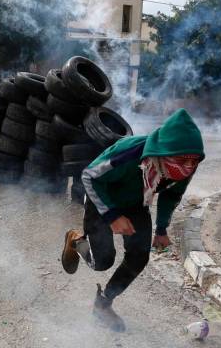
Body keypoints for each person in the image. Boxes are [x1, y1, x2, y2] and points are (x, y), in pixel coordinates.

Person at [61, 108, 204, 332]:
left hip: (137, 203)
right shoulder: (129, 152)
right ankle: (75, 240)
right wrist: (112, 216)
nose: (188, 167)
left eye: (194, 161)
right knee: (102, 262)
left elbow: (171, 194)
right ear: (164, 151)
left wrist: (162, 229)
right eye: (182, 159)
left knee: (139, 257)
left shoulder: (185, 168)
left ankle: (103, 304)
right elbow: (89, 177)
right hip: (104, 200)